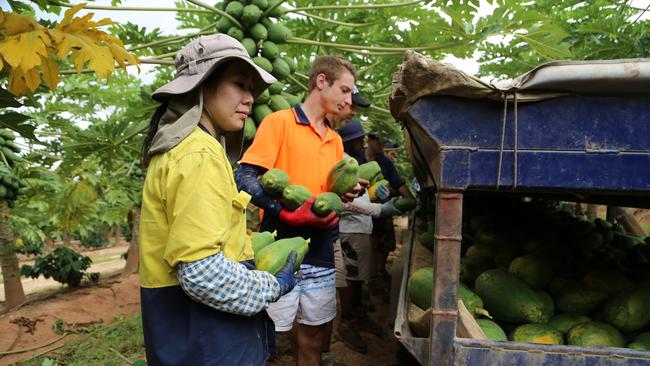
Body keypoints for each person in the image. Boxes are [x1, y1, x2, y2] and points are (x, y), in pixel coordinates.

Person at [139, 34, 297, 366]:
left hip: (184, 335)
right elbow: (201, 273)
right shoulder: (199, 151)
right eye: (240, 84)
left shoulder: (177, 147)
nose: (250, 98)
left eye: (252, 89)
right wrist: (270, 286)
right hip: (208, 339)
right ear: (202, 85)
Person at [235, 55, 361, 366]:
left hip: (319, 250)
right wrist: (282, 209)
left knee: (314, 338)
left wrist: (345, 192)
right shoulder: (279, 123)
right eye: (345, 90)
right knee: (266, 336)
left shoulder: (334, 140)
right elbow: (244, 176)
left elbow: (328, 192)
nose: (349, 99)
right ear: (321, 82)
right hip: (276, 246)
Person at [334, 119, 403, 354]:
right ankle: (346, 322)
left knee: (358, 278)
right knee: (349, 280)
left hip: (360, 229)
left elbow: (358, 197)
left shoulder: (353, 162)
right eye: (358, 139)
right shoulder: (341, 162)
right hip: (348, 230)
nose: (362, 143)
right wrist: (378, 210)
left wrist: (375, 198)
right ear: (349, 140)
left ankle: (357, 314)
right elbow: (340, 201)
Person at [365, 132, 415, 299]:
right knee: (371, 245)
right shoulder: (356, 158)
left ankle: (379, 274)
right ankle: (370, 279)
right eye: (379, 141)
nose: (382, 145)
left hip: (382, 208)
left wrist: (411, 200)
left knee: (382, 244)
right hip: (361, 210)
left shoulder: (384, 161)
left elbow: (398, 182)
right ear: (370, 140)